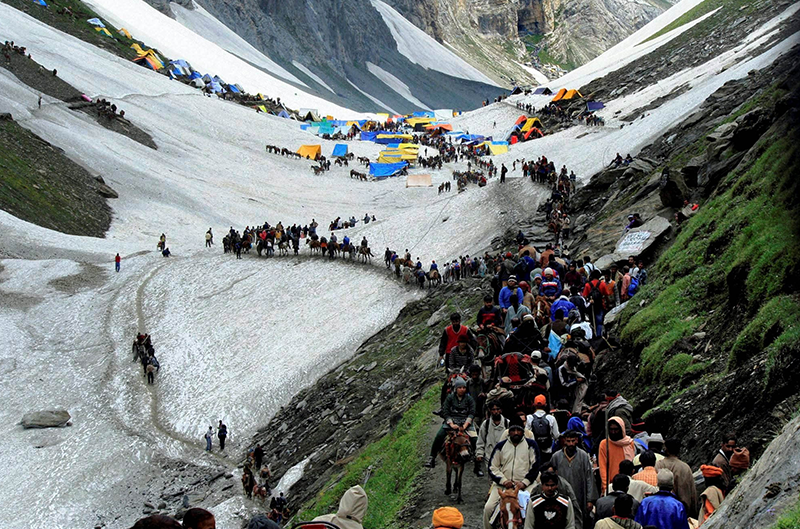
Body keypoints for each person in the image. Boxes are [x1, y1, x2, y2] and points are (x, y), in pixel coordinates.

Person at [484, 417, 540, 529]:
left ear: (523, 431)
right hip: (503, 485)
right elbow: (492, 467)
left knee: (533, 508)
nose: (515, 433)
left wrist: (524, 482)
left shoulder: (531, 445)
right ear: (508, 432)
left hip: (526, 485)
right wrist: (504, 481)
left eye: (518, 430)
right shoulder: (501, 446)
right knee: (488, 508)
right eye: (513, 430)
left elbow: (535, 466)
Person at [427, 377, 476, 468]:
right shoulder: (449, 398)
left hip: (466, 422)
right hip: (451, 422)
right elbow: (446, 412)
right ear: (456, 389)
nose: (462, 390)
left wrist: (465, 425)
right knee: (439, 436)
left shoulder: (469, 399)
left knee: (474, 439)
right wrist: (451, 424)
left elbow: (472, 412)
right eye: (460, 388)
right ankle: (432, 457)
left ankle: (477, 462)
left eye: (464, 388)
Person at [551, 430, 596, 529]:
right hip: (562, 495)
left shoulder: (583, 456)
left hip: (579, 495)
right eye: (568, 441)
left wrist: (590, 500)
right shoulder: (556, 457)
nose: (571, 444)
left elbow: (589, 478)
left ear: (576, 441)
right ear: (564, 441)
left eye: (573, 441)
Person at [655, 438, 699, 517]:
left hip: (660, 510)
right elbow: (692, 492)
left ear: (666, 449)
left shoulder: (658, 465)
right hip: (682, 512)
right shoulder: (685, 468)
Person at [598, 417, 636, 494]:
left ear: (621, 429)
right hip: (612, 486)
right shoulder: (604, 444)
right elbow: (603, 467)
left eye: (616, 429)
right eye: (611, 429)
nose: (613, 432)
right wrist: (606, 487)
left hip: (629, 485)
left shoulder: (629, 443)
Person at [476, 402, 508, 478]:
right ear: (490, 410)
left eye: (497, 409)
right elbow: (481, 439)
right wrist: (479, 453)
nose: (495, 412)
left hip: (505, 458)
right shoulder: (486, 424)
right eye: (493, 409)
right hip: (489, 456)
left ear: (501, 410)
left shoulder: (507, 423)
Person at [527, 395, 559, 464]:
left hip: (534, 452)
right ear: (545, 405)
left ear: (534, 404)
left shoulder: (529, 418)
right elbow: (556, 436)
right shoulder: (551, 418)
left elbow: (526, 436)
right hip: (547, 451)